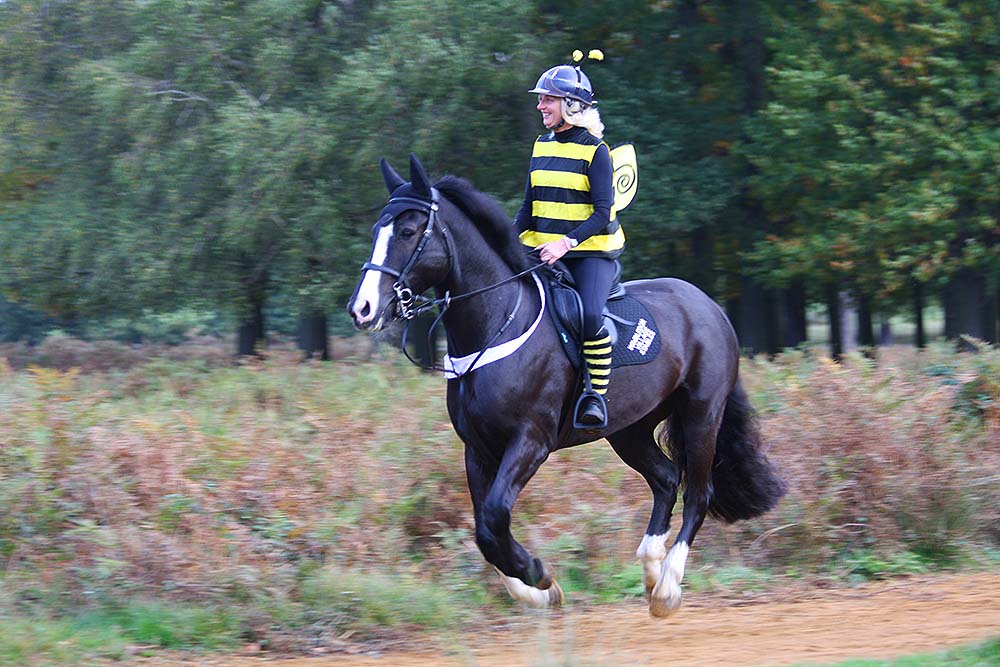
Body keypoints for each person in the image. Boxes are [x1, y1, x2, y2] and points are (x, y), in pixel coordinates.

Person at [512, 55, 625, 428]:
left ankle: (594, 394)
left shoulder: (597, 151)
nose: (540, 105)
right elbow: (529, 209)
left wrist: (565, 244)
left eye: (548, 99)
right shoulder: (540, 146)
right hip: (542, 250)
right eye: (541, 98)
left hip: (589, 253)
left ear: (572, 106)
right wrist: (504, 242)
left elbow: (602, 213)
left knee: (590, 316)